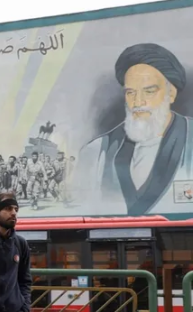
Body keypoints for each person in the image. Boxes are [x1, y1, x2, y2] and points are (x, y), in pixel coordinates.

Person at [77, 43, 193, 216]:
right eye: (130, 92)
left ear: (171, 94)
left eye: (149, 91)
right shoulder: (96, 152)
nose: (138, 102)